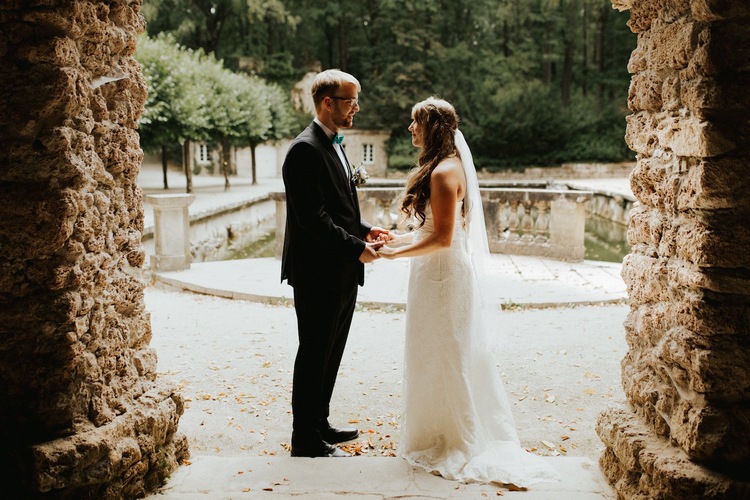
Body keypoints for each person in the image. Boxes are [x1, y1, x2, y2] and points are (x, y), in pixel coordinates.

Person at [378, 97, 559, 487]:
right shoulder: (444, 167)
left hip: (442, 277)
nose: (410, 129)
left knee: (448, 354)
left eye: (415, 122)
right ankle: (434, 430)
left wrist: (395, 255)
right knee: (431, 352)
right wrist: (392, 241)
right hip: (432, 273)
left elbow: (442, 240)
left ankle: (455, 438)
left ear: (432, 127)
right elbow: (431, 231)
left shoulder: (444, 173)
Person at [281, 69, 389, 458]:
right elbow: (313, 219)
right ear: (328, 103)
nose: (356, 107)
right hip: (317, 272)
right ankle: (304, 438)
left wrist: (366, 228)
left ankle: (319, 422)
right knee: (313, 351)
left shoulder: (335, 145)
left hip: (341, 268)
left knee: (331, 350)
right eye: (350, 100)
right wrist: (356, 248)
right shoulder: (304, 149)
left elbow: (338, 209)